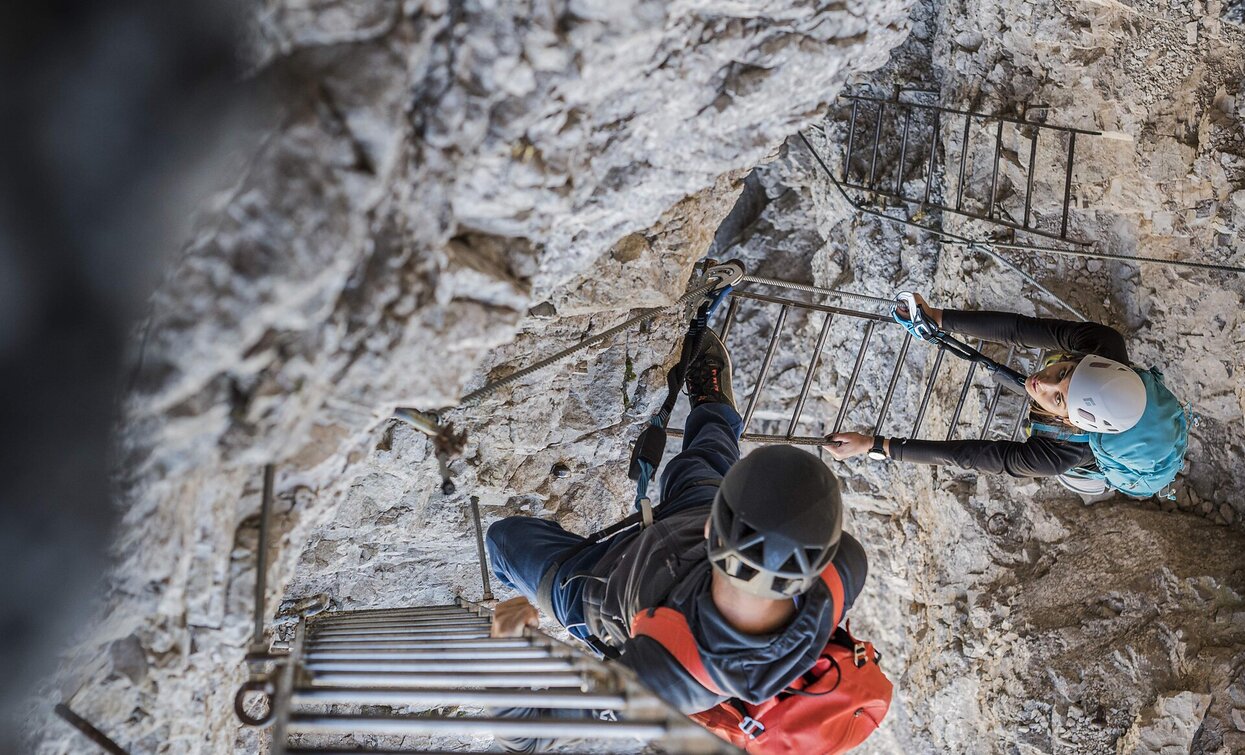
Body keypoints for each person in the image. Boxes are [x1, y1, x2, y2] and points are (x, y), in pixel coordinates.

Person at [485, 329, 869, 751]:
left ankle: (715, 429)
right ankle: (711, 402)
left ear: (713, 530)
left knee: (504, 541)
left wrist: (507, 652)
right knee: (705, 456)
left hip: (601, 588)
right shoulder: (844, 566)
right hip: (690, 526)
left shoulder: (664, 680)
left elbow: (526, 738)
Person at [824, 292, 1160, 496]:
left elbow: (969, 456)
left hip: (1098, 460)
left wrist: (874, 445)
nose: (1043, 383)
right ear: (1083, 360)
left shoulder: (1058, 456)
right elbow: (1019, 330)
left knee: (1082, 481)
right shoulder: (1103, 344)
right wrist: (935, 318)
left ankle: (1094, 484)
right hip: (1109, 403)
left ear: (1071, 422)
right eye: (1062, 373)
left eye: (1057, 398)